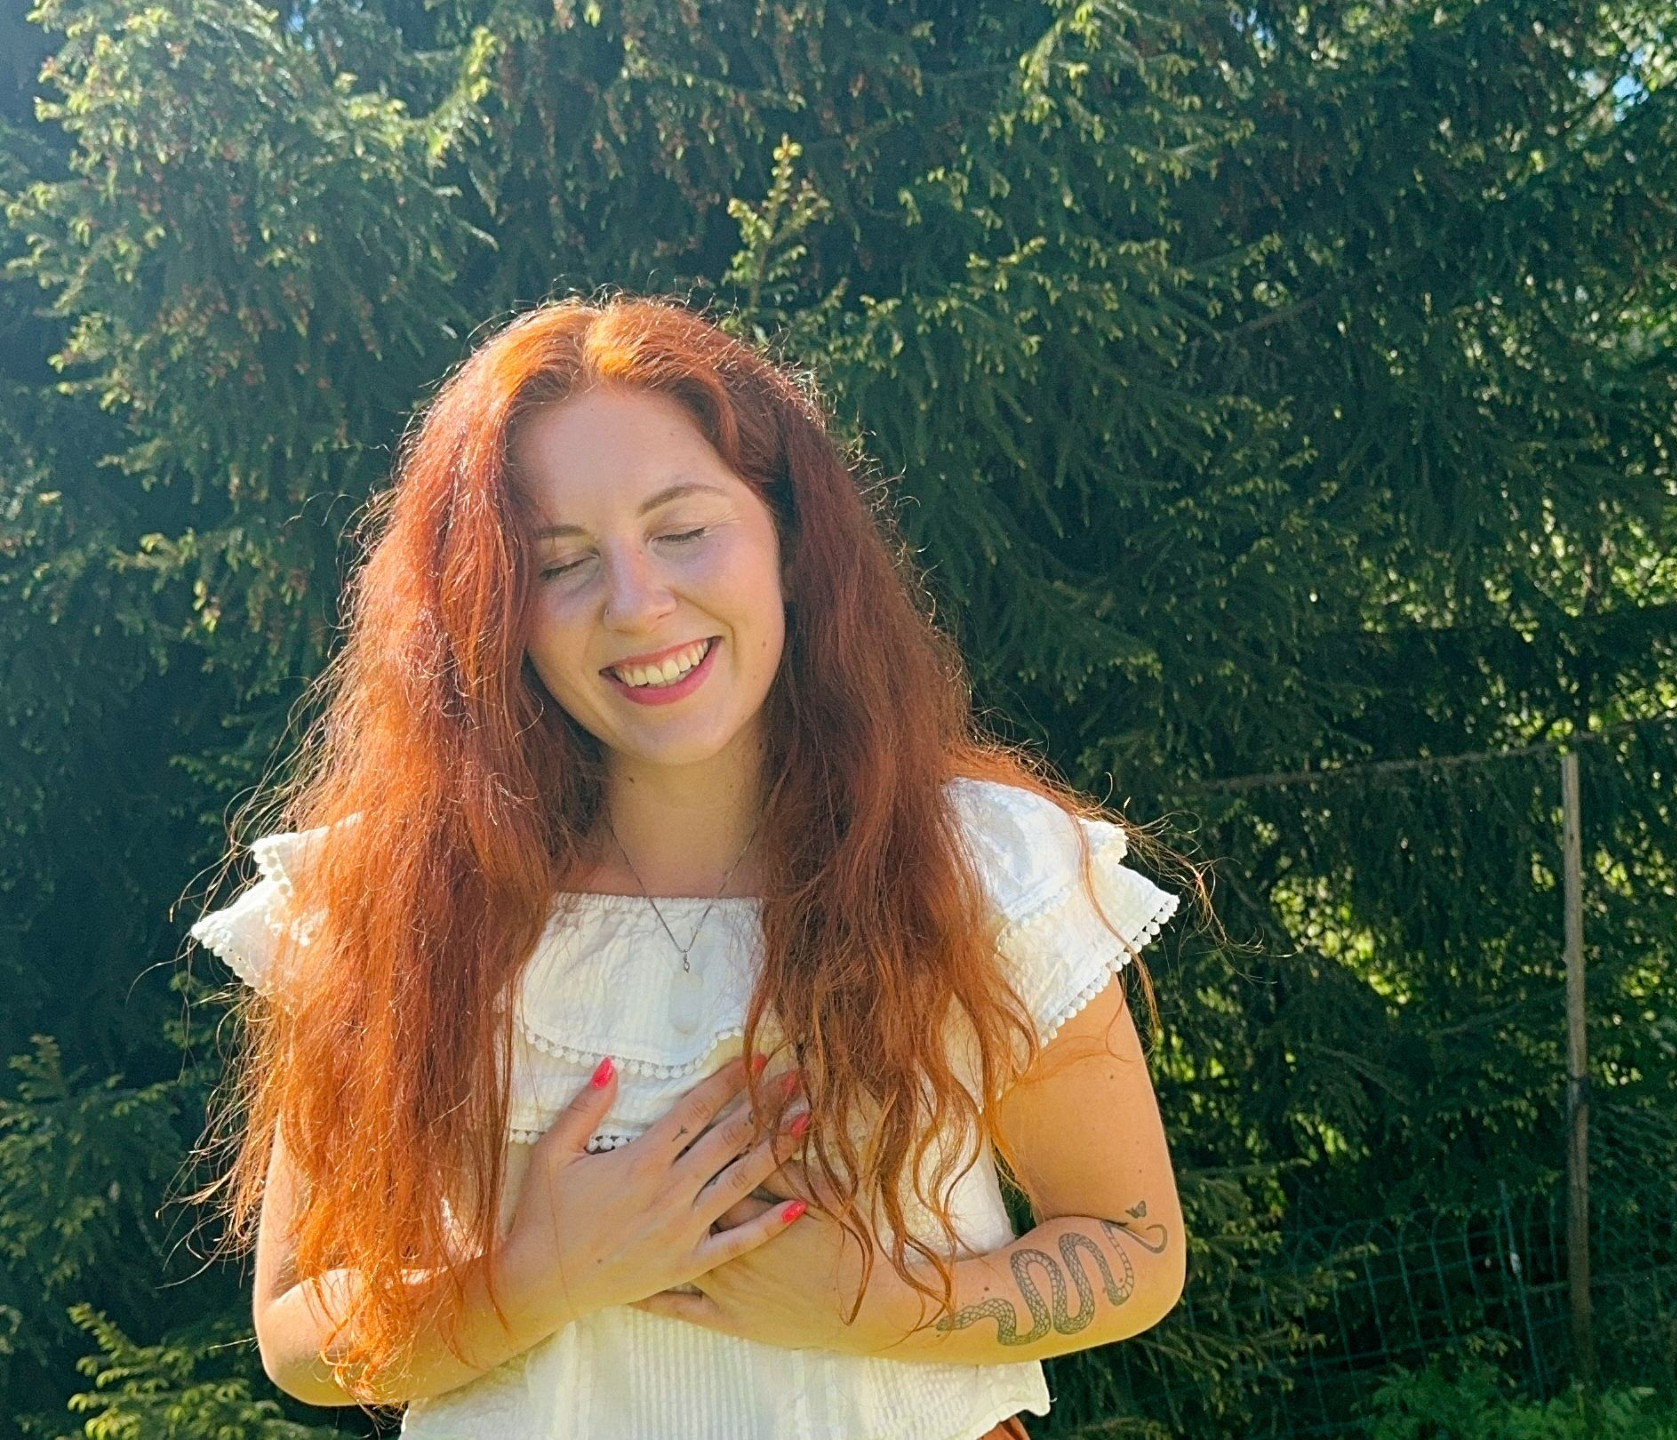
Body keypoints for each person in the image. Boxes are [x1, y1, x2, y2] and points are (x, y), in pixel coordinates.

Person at [185, 293, 1213, 1440]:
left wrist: (875, 1305)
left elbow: (1135, 1249)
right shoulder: (395, 904)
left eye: (682, 531)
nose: (638, 604)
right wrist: (536, 1277)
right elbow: (299, 1332)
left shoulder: (975, 869)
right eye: (560, 562)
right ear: (491, 611)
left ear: (790, 540)